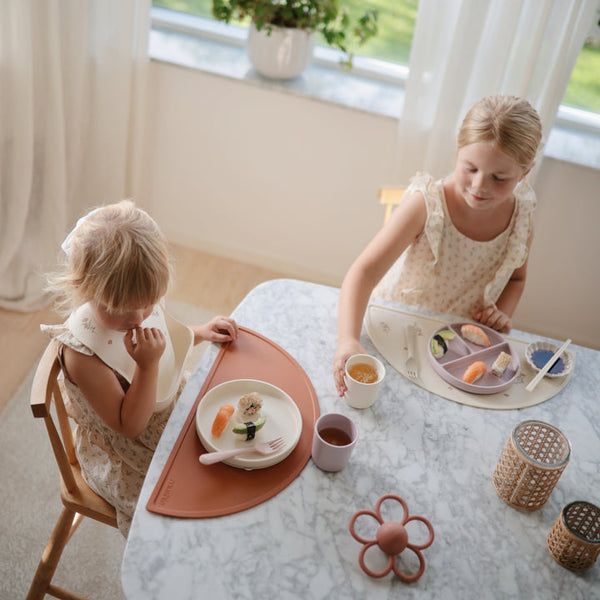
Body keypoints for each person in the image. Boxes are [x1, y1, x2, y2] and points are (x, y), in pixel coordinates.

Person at [42, 200, 238, 536]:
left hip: (167, 405)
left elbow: (161, 338)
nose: (136, 318)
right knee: (173, 518)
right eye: (120, 309)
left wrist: (201, 332)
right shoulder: (83, 356)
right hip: (128, 454)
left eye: (147, 305)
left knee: (228, 455)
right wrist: (147, 367)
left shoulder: (135, 302)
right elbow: (129, 425)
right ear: (83, 288)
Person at [334, 95, 543, 396]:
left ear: (524, 173)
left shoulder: (521, 220)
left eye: (498, 178)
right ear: (458, 153)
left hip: (458, 350)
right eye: (470, 168)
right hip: (397, 331)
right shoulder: (427, 205)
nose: (480, 186)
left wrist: (501, 313)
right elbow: (363, 272)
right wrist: (348, 340)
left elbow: (517, 279)